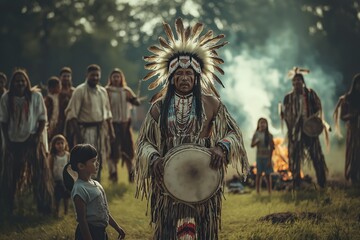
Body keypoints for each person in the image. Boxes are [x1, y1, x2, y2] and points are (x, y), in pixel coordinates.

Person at [135, 18, 249, 239]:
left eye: (189, 74)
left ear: (197, 77)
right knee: (168, 228)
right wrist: (154, 159)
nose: (184, 78)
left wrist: (221, 148)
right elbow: (144, 143)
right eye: (179, 73)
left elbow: (233, 133)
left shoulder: (212, 103)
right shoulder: (159, 107)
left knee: (203, 228)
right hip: (169, 176)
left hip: (202, 174)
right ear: (171, 78)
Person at [0, 69, 53, 217]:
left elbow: (43, 117)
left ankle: (44, 207)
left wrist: (37, 136)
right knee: (10, 176)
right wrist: (7, 140)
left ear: (27, 81)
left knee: (40, 175)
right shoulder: (6, 97)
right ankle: (7, 208)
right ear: (12, 83)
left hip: (32, 141)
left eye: (23, 80)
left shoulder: (36, 96)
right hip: (13, 141)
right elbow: (3, 121)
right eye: (17, 80)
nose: (20, 83)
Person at [63, 143, 125, 240]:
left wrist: (117, 228)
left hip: (101, 233)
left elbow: (104, 211)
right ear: (81, 166)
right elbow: (82, 220)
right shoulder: (79, 189)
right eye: (93, 161)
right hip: (89, 233)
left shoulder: (97, 184)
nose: (97, 163)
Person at [65, 64, 115, 182]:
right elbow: (71, 115)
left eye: (97, 75)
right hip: (85, 130)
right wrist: (79, 135)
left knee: (99, 157)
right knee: (86, 159)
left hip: (101, 130)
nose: (95, 77)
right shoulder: (79, 90)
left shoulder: (102, 91)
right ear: (86, 75)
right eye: (92, 75)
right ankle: (84, 184)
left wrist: (111, 131)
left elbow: (107, 113)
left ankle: (97, 183)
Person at [281, 67, 328, 189]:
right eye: (294, 80)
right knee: (294, 157)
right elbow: (285, 115)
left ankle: (322, 182)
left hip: (310, 131)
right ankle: (296, 182)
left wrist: (312, 120)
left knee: (316, 155)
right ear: (292, 83)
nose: (297, 82)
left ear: (303, 82)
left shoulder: (310, 94)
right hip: (295, 132)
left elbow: (318, 108)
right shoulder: (288, 98)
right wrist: (290, 130)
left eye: (299, 80)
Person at [105, 68, 140, 183]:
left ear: (121, 78)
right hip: (112, 125)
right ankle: (113, 175)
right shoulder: (107, 91)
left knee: (129, 151)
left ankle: (131, 175)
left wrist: (135, 100)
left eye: (118, 76)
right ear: (111, 78)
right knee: (112, 152)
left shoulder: (126, 90)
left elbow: (136, 102)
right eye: (114, 76)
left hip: (125, 125)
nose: (116, 79)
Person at [334, 73, 360, 184]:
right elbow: (342, 116)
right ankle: (352, 175)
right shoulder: (348, 99)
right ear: (355, 84)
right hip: (354, 130)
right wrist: (353, 115)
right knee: (354, 152)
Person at [48, 134, 70, 217]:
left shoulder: (67, 155)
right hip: (56, 179)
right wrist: (51, 179)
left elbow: (70, 167)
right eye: (58, 143)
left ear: (65, 144)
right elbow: (50, 168)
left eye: (62, 143)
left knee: (66, 196)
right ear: (54, 145)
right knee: (57, 196)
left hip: (66, 179)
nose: (60, 145)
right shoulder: (53, 156)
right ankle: (56, 211)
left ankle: (66, 211)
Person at [251, 117, 274, 194]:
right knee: (259, 174)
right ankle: (257, 191)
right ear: (258, 124)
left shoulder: (269, 135)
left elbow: (272, 148)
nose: (263, 124)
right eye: (261, 123)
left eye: (264, 123)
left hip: (267, 157)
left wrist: (269, 160)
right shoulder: (256, 134)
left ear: (267, 125)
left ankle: (269, 191)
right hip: (259, 157)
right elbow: (252, 145)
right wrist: (256, 142)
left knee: (268, 175)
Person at [59, 67, 75, 148]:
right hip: (58, 121)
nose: (66, 78)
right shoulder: (57, 91)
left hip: (71, 122)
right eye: (64, 76)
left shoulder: (74, 91)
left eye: (68, 76)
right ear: (60, 77)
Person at [44, 76, 62, 141]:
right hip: (50, 124)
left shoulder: (58, 97)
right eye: (59, 86)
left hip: (57, 123)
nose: (60, 88)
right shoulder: (48, 99)